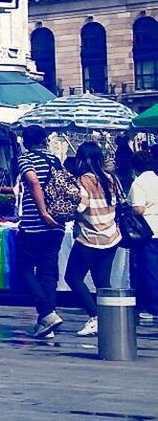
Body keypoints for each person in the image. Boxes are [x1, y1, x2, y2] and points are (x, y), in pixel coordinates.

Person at [66, 142, 123, 337]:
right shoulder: (110, 178)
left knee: (72, 277)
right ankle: (110, 320)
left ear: (84, 160)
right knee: (102, 281)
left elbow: (80, 207)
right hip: (111, 235)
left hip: (90, 237)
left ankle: (95, 316)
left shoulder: (84, 180)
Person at [15, 126, 67, 337]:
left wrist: (43, 212)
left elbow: (33, 181)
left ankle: (46, 312)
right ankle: (47, 321)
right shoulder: (55, 160)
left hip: (35, 224)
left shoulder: (26, 159)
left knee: (24, 269)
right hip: (57, 224)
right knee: (47, 273)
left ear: (26, 142)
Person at [127, 144, 158, 322]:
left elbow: (138, 209)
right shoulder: (157, 179)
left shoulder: (138, 183)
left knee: (150, 271)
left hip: (148, 232)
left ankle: (153, 307)